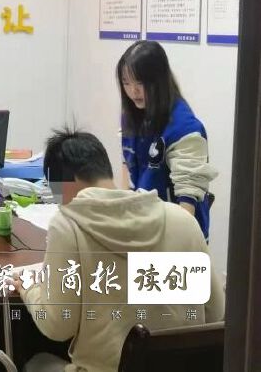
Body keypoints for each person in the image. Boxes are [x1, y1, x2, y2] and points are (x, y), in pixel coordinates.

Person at [13, 128, 224, 372]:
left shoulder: (68, 226)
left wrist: (30, 289)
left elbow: (58, 327)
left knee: (35, 361)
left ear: (66, 181)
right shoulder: (182, 221)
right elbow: (215, 312)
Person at [117, 40, 217, 239]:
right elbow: (127, 169)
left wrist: (168, 246)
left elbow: (186, 208)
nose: (133, 91)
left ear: (158, 81)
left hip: (176, 237)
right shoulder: (132, 117)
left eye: (140, 83)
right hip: (144, 228)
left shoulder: (185, 128)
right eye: (126, 83)